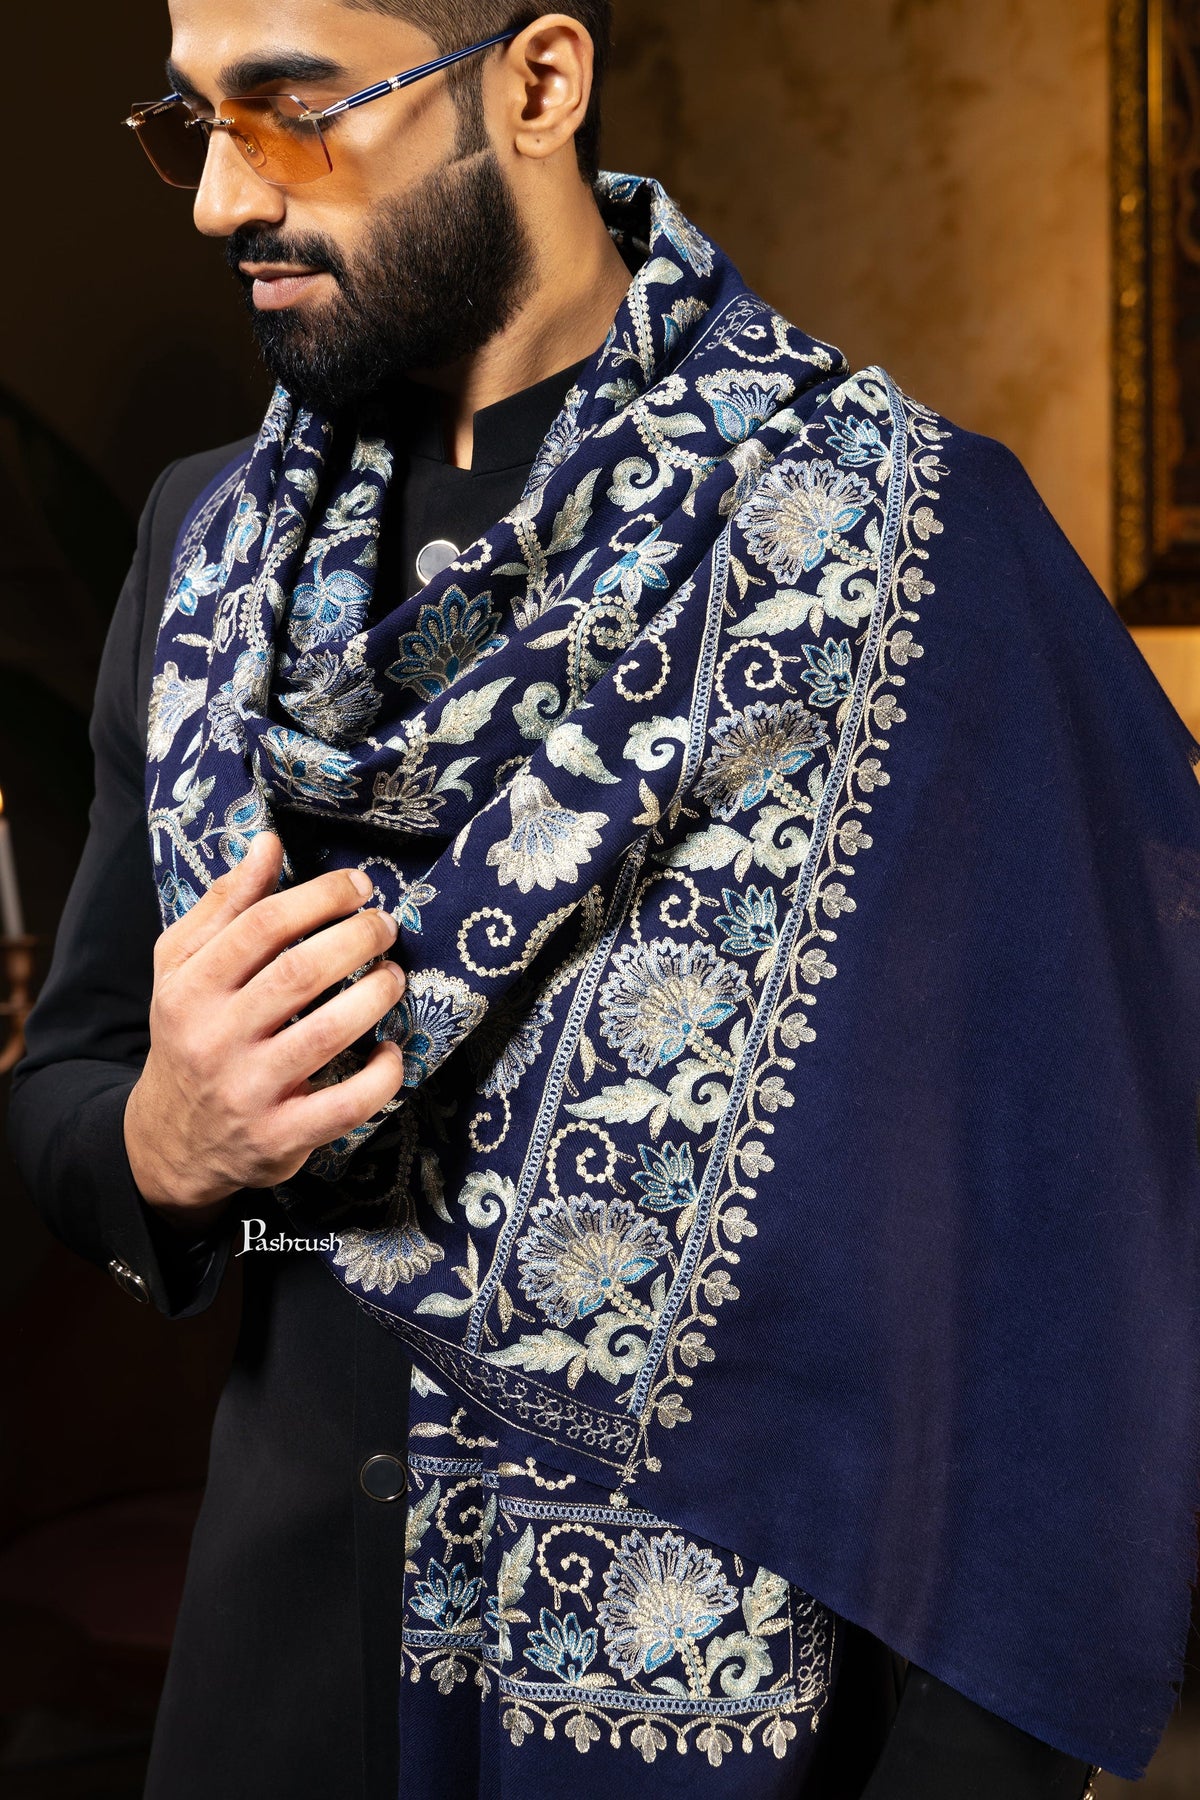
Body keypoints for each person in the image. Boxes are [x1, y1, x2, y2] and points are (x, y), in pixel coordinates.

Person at [8, 3, 1199, 1796]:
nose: (222, 199)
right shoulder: (206, 557)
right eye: (194, 124)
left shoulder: (912, 552)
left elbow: (1090, 1254)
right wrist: (169, 1142)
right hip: (278, 1689)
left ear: (540, 83)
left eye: (293, 111)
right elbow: (70, 1088)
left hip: (728, 1725)